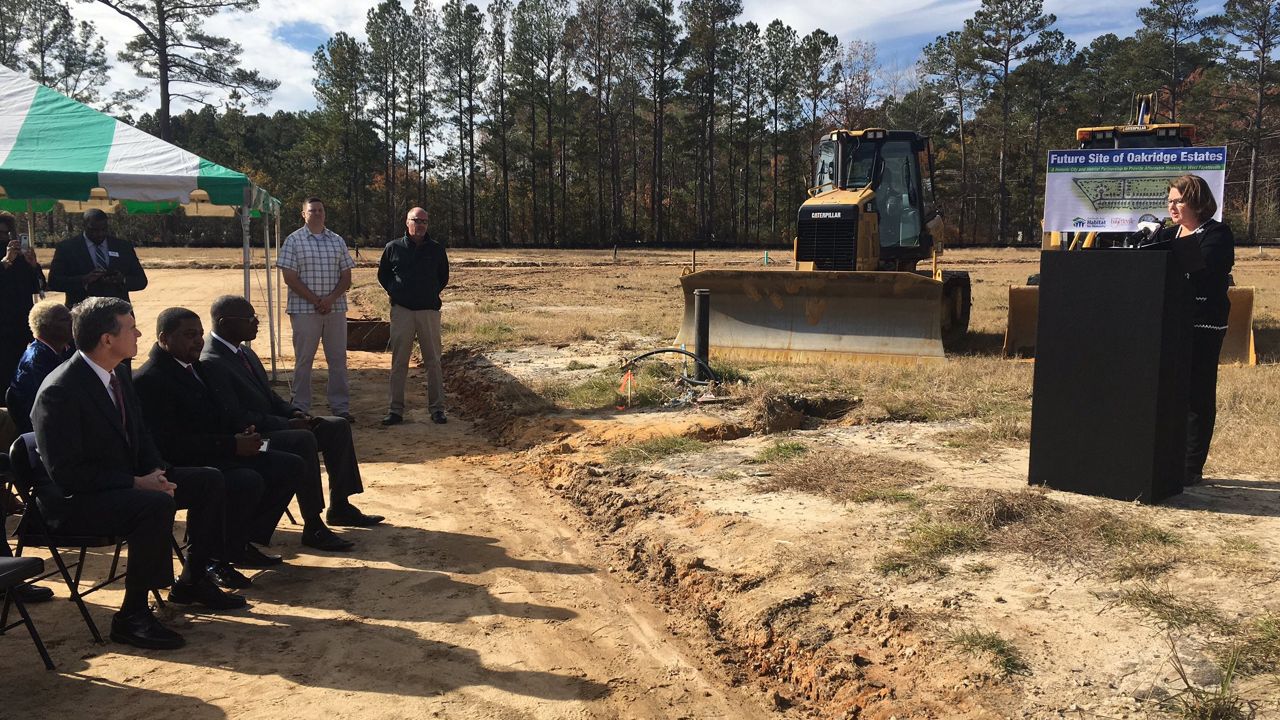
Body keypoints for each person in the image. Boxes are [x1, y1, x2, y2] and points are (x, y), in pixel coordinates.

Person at [31, 297, 245, 650]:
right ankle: (131, 617)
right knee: (154, 505)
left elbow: (141, 436)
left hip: (119, 484)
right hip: (74, 502)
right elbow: (67, 475)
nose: (139, 334)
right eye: (130, 328)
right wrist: (136, 483)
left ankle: (191, 580)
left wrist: (156, 471)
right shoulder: (61, 391)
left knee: (208, 480)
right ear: (106, 339)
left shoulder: (117, 374)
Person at [135, 308, 304, 583]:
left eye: (200, 334)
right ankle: (214, 559)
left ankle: (240, 542)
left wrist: (243, 434)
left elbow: (218, 414)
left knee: (288, 464)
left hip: (222, 448)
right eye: (189, 335)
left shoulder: (196, 366)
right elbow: (169, 443)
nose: (199, 341)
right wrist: (231, 445)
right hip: (188, 461)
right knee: (245, 479)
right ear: (164, 339)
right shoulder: (151, 379)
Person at [202, 295, 382, 549]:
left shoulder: (244, 353)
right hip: (253, 441)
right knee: (302, 439)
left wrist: (294, 413)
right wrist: (286, 425)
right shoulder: (212, 362)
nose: (257, 323)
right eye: (251, 318)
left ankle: (340, 505)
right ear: (225, 323)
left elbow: (270, 396)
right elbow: (235, 418)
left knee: (335, 426)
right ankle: (313, 524)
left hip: (274, 427)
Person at [1151, 174, 1235, 487]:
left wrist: (1167, 253)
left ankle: (1190, 465)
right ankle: (1165, 456)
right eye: (1170, 200)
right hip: (1169, 323)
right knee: (1169, 392)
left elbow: (1203, 268)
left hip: (1203, 323)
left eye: (1178, 201)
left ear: (1196, 202)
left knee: (1196, 395)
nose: (1171, 206)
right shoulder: (1167, 234)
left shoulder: (1217, 233)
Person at [276, 198, 356, 423]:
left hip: (336, 309)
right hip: (303, 310)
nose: (317, 213)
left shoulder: (337, 240)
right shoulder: (293, 241)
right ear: (304, 214)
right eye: (312, 210)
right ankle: (300, 407)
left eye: (321, 210)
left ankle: (340, 408)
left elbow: (346, 276)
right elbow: (289, 278)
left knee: (338, 359)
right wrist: (316, 300)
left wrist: (330, 299)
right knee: (304, 360)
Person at [378, 207, 450, 426]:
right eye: (416, 220)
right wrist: (396, 291)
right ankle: (395, 410)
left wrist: (429, 293)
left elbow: (443, 277)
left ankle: (437, 409)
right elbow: (383, 275)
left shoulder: (436, 249)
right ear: (407, 222)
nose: (421, 225)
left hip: (428, 312)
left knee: (433, 362)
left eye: (425, 222)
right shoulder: (393, 248)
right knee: (399, 362)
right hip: (403, 312)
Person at [47, 209, 148, 308]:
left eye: (103, 229)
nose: (100, 234)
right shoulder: (67, 248)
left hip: (118, 314)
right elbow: (54, 282)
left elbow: (141, 281)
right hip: (82, 314)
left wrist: (122, 279)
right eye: (93, 230)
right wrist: (84, 280)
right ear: (84, 226)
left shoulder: (123, 247)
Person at [7, 300, 74, 433]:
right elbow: (51, 406)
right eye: (65, 319)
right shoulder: (36, 361)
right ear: (46, 327)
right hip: (43, 431)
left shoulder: (62, 350)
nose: (72, 322)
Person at [0, 211, 45, 388]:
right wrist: (5, 262)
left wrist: (33, 266)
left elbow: (40, 286)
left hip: (21, 324)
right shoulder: (8, 258)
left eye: (7, 234)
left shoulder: (21, 257)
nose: (4, 238)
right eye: (0, 234)